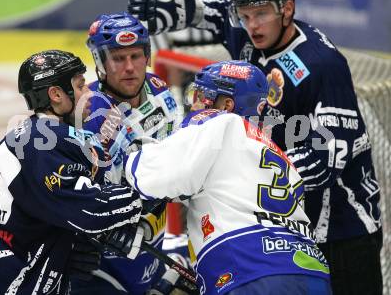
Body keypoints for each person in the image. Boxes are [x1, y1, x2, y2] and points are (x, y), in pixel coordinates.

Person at [128, 0, 383, 294]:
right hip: (293, 230)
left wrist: (247, 178)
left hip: (344, 228)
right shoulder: (251, 36)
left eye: (261, 14)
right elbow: (218, 11)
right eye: (246, 16)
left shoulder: (322, 64)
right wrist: (180, 9)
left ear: (287, 9)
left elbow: (330, 154)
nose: (251, 25)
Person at [123, 60, 332, 295]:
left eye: (202, 96)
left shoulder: (219, 121)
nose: (196, 103)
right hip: (313, 273)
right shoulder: (280, 156)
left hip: (248, 270)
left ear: (227, 104)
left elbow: (158, 177)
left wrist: (127, 157)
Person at [0, 50, 143, 294]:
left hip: (1, 267)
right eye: (80, 87)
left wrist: (62, 248)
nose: (89, 94)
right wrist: (143, 191)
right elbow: (88, 210)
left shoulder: (40, 135)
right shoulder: (40, 143)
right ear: (56, 95)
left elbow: (27, 208)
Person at [69, 12, 180, 294]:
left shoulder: (159, 90)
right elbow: (69, 192)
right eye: (118, 58)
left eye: (136, 56)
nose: (129, 67)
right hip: (102, 262)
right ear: (100, 63)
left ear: (147, 55)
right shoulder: (87, 112)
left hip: (152, 244)